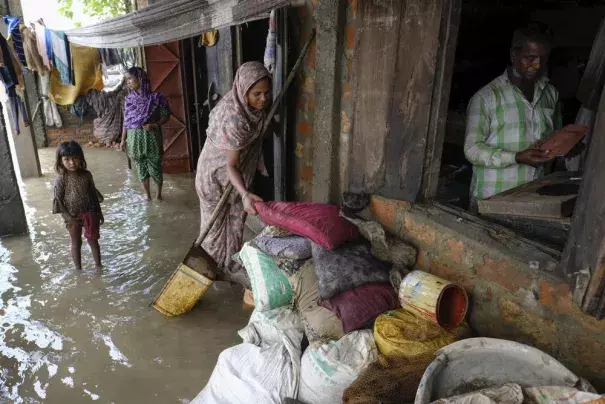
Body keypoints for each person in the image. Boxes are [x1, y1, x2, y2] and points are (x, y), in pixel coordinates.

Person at [464, 23, 561, 208]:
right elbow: (472, 150)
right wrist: (516, 157)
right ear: (513, 55)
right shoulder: (487, 97)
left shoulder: (550, 93)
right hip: (493, 199)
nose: (537, 65)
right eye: (530, 58)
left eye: (543, 58)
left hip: (534, 197)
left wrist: (564, 147)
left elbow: (553, 136)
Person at [196, 61, 271, 288]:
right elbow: (230, 166)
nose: (263, 99)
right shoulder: (234, 118)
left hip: (237, 176)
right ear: (242, 90)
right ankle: (210, 275)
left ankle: (231, 267)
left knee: (236, 224)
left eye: (267, 93)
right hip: (215, 179)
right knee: (215, 232)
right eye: (257, 94)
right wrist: (245, 193)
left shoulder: (254, 109)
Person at [52, 141, 104, 271]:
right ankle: (78, 270)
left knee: (93, 241)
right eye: (67, 159)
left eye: (75, 158)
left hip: (90, 212)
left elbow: (93, 194)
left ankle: (99, 267)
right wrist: (70, 219)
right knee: (76, 243)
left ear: (81, 158)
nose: (72, 162)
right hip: (72, 216)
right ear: (60, 161)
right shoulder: (61, 179)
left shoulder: (86, 175)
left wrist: (99, 212)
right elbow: (58, 202)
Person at [120, 67, 171, 200]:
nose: (128, 82)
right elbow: (126, 121)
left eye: (130, 78)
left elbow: (166, 116)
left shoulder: (156, 98)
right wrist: (122, 140)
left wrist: (154, 124)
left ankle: (159, 195)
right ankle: (147, 196)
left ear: (140, 79)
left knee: (156, 167)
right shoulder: (129, 100)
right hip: (134, 139)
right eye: (127, 79)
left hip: (152, 137)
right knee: (141, 169)